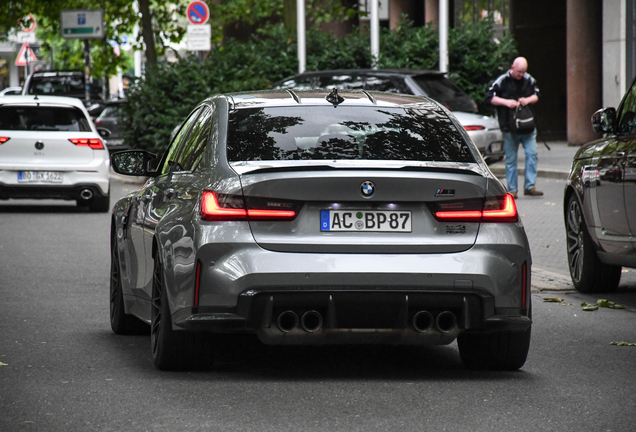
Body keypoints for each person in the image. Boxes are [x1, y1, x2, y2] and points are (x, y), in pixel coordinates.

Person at [485, 57, 543, 198]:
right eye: (519, 72)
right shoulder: (502, 81)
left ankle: (530, 186)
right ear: (512, 67)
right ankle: (512, 190)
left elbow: (537, 95)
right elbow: (489, 97)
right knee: (511, 158)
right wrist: (507, 102)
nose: (521, 75)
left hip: (528, 126)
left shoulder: (529, 79)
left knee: (532, 154)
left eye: (523, 72)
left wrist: (527, 100)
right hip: (509, 127)